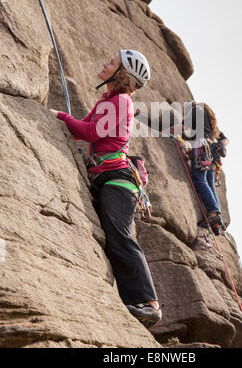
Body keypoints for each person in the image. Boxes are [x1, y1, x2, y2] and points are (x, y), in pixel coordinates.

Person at [50, 50, 162, 328]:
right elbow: (85, 127)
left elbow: (91, 133)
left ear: (122, 74)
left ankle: (149, 305)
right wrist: (66, 120)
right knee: (112, 239)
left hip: (118, 179)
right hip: (105, 176)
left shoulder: (122, 101)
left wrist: (61, 116)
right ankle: (131, 302)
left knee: (120, 237)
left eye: (111, 63)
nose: (104, 64)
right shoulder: (108, 99)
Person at [169, 102, 228, 235]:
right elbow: (225, 139)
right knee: (209, 184)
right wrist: (221, 145)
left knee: (199, 180)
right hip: (213, 151)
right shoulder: (211, 124)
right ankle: (216, 218)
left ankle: (213, 213)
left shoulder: (196, 109)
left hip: (202, 146)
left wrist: (161, 132)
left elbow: (182, 127)